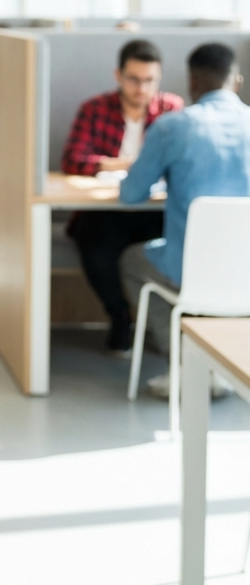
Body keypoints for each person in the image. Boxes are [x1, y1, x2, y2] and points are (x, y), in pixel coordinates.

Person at [120, 43, 250, 370]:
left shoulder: (173, 126)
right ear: (237, 82)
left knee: (131, 261)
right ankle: (226, 365)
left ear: (192, 82)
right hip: (245, 269)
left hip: (189, 269)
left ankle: (185, 366)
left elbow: (131, 195)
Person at [62, 39, 184, 353]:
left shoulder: (172, 111)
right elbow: (73, 160)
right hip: (106, 210)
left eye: (149, 80)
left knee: (167, 250)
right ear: (118, 74)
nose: (141, 88)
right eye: (133, 79)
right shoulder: (95, 108)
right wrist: (124, 165)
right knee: (97, 253)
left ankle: (160, 327)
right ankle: (120, 316)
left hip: (153, 211)